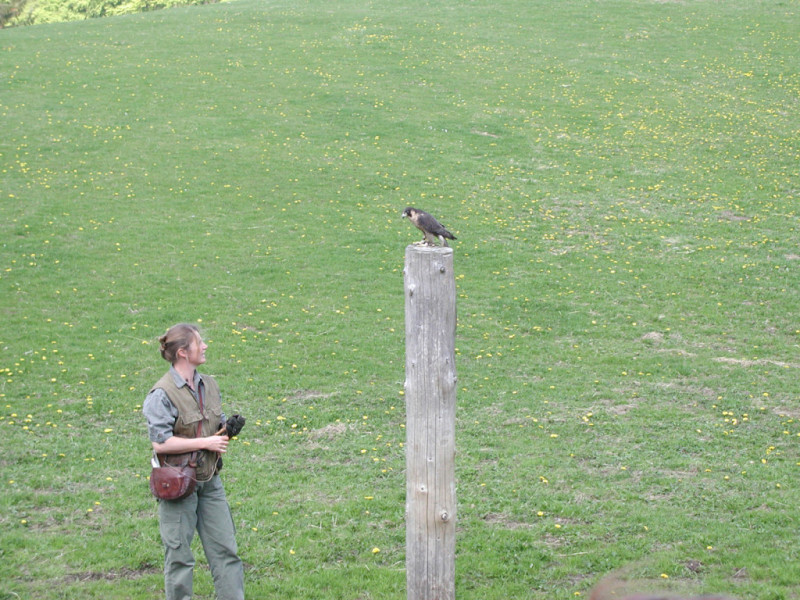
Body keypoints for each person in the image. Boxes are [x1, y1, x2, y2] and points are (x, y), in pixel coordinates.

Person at [143, 323, 245, 600]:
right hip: (177, 486)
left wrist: (226, 430)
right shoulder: (161, 394)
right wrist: (205, 443)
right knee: (179, 557)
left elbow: (209, 429)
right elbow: (160, 442)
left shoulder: (209, 384)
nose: (205, 346)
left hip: (210, 481)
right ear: (183, 353)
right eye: (200, 342)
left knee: (226, 552)